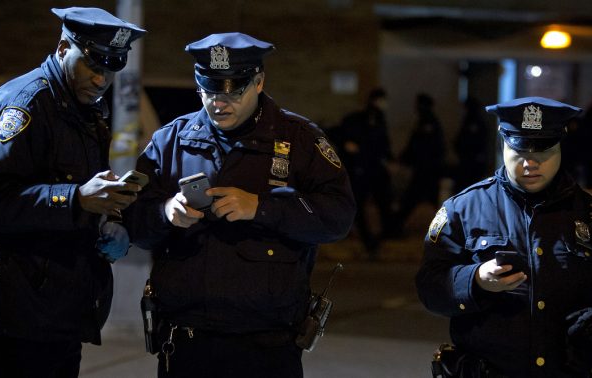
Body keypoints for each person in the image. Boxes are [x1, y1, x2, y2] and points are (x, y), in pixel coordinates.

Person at [124, 33, 355, 378]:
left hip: (267, 343)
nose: (219, 103)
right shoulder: (170, 141)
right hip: (187, 337)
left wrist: (261, 208)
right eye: (210, 90)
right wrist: (165, 212)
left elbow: (338, 216)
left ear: (259, 82)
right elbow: (134, 222)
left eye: (233, 91)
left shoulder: (300, 139)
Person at [0, 7, 145, 377]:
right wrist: (74, 199)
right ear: (61, 49)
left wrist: (109, 219)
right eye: (93, 65)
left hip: (59, 305)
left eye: (111, 69)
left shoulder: (83, 110)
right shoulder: (24, 106)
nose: (101, 79)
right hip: (13, 309)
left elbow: (85, 190)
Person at [416, 97, 592, 377]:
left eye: (543, 150)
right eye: (519, 149)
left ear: (560, 147)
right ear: (503, 143)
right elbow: (429, 287)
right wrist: (475, 280)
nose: (530, 163)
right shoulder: (462, 210)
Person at [334, 87, 394, 256]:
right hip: (363, 170)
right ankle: (371, 242)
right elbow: (362, 144)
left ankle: (377, 240)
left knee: (380, 204)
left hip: (372, 169)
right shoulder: (361, 120)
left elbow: (382, 143)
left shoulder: (378, 119)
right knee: (361, 205)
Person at [393, 93, 445, 235]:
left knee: (411, 201)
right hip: (427, 170)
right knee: (417, 202)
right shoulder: (426, 121)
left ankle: (395, 228)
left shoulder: (429, 122)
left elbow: (420, 146)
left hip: (426, 171)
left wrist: (406, 157)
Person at [453, 96, 491, 193]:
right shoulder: (469, 120)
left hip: (472, 162)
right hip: (468, 161)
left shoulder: (475, 121)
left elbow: (478, 141)